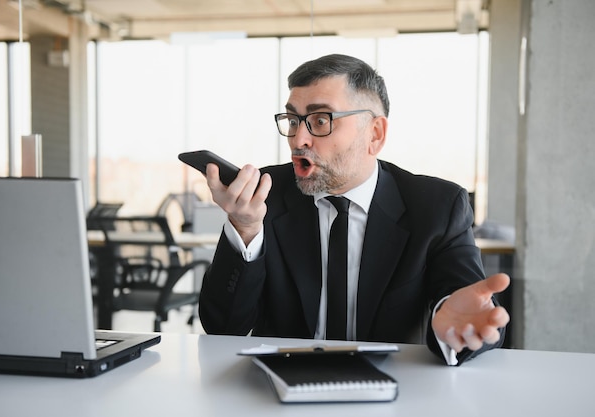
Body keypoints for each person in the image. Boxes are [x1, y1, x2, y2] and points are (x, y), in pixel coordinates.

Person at [198, 53, 510, 365]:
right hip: (279, 388)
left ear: (374, 135)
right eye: (293, 121)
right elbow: (223, 327)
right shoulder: (265, 196)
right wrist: (246, 228)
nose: (298, 139)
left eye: (320, 120)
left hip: (396, 394)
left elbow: (467, 308)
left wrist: (454, 329)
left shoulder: (436, 207)